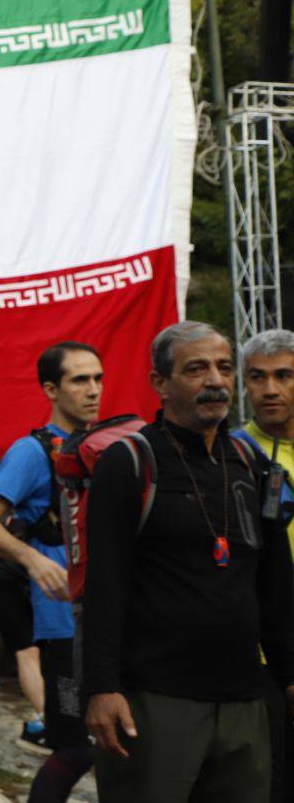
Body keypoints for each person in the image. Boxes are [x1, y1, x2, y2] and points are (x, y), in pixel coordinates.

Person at [84, 321, 294, 802]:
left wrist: (289, 675)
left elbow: (275, 584)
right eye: (196, 369)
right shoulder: (130, 462)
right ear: (160, 383)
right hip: (155, 699)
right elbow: (105, 584)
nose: (215, 381)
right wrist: (101, 688)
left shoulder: (252, 464)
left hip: (244, 699)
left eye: (224, 368)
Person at [0, 341, 104, 802]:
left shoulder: (107, 446)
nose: (93, 390)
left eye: (98, 379)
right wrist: (33, 559)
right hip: (62, 626)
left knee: (117, 742)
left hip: (108, 619)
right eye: (79, 380)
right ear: (50, 389)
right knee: (75, 749)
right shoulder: (31, 452)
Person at [234, 328, 294, 802]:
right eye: (257, 377)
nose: (270, 389)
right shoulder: (231, 453)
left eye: (284, 376)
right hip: (264, 654)